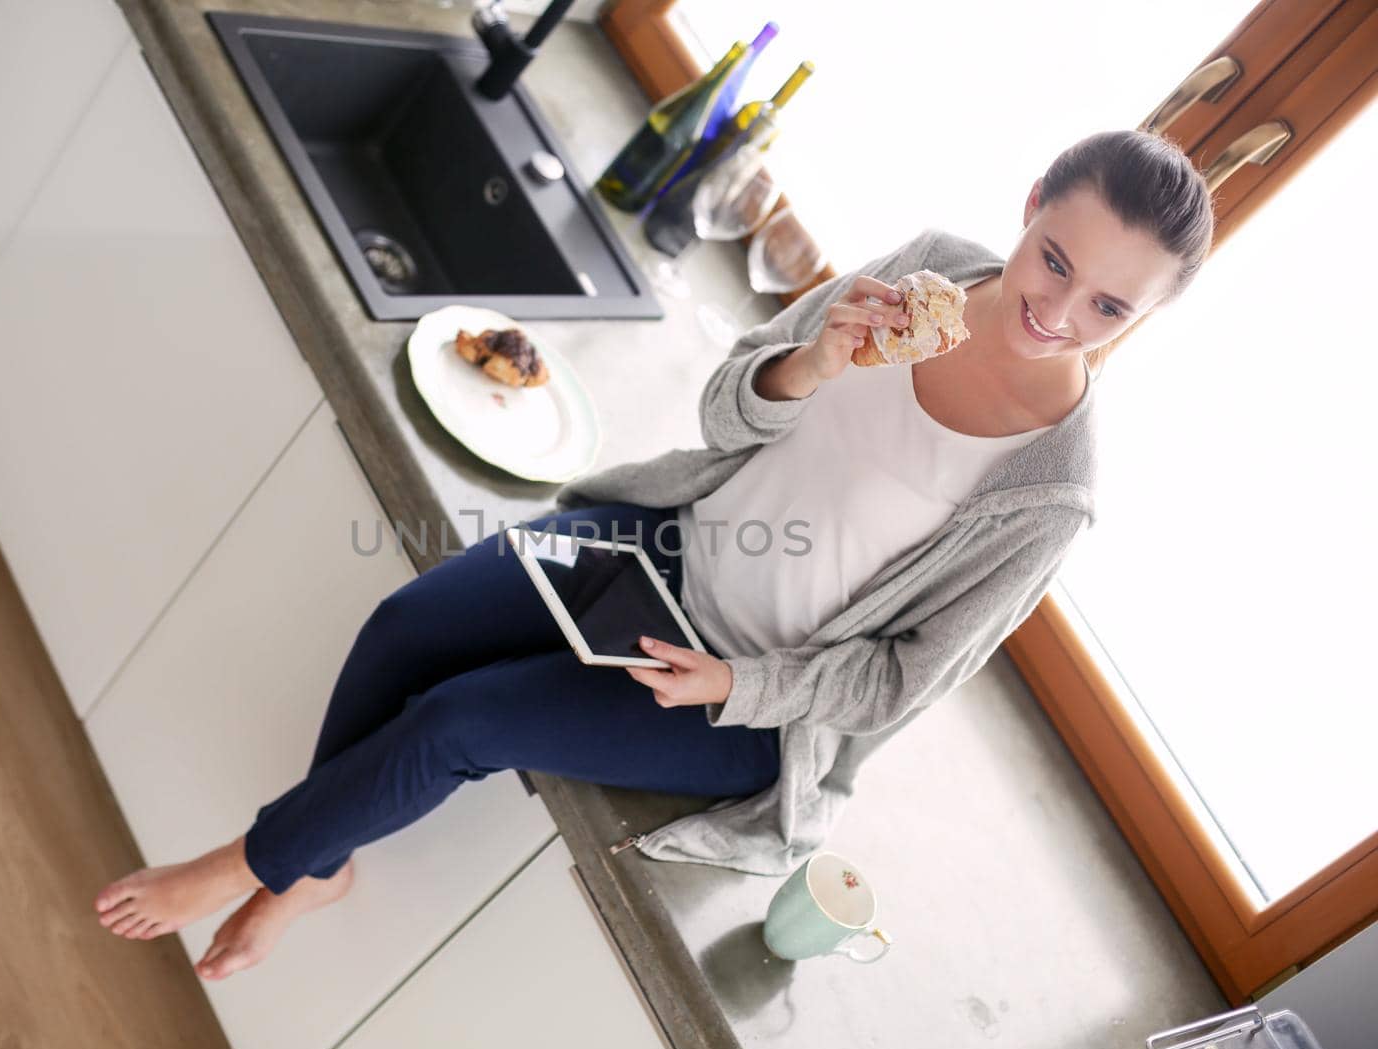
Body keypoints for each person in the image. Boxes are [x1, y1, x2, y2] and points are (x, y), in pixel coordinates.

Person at [92, 129, 1215, 981]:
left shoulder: (1051, 495)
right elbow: (727, 411)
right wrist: (809, 362)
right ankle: (319, 859)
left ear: (1143, 316)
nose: (1057, 309)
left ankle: (255, 860)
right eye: (1053, 258)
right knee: (405, 629)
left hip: (746, 705)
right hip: (666, 544)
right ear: (1027, 211)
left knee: (459, 720)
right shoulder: (923, 267)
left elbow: (900, 678)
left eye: (1107, 303)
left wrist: (739, 682)